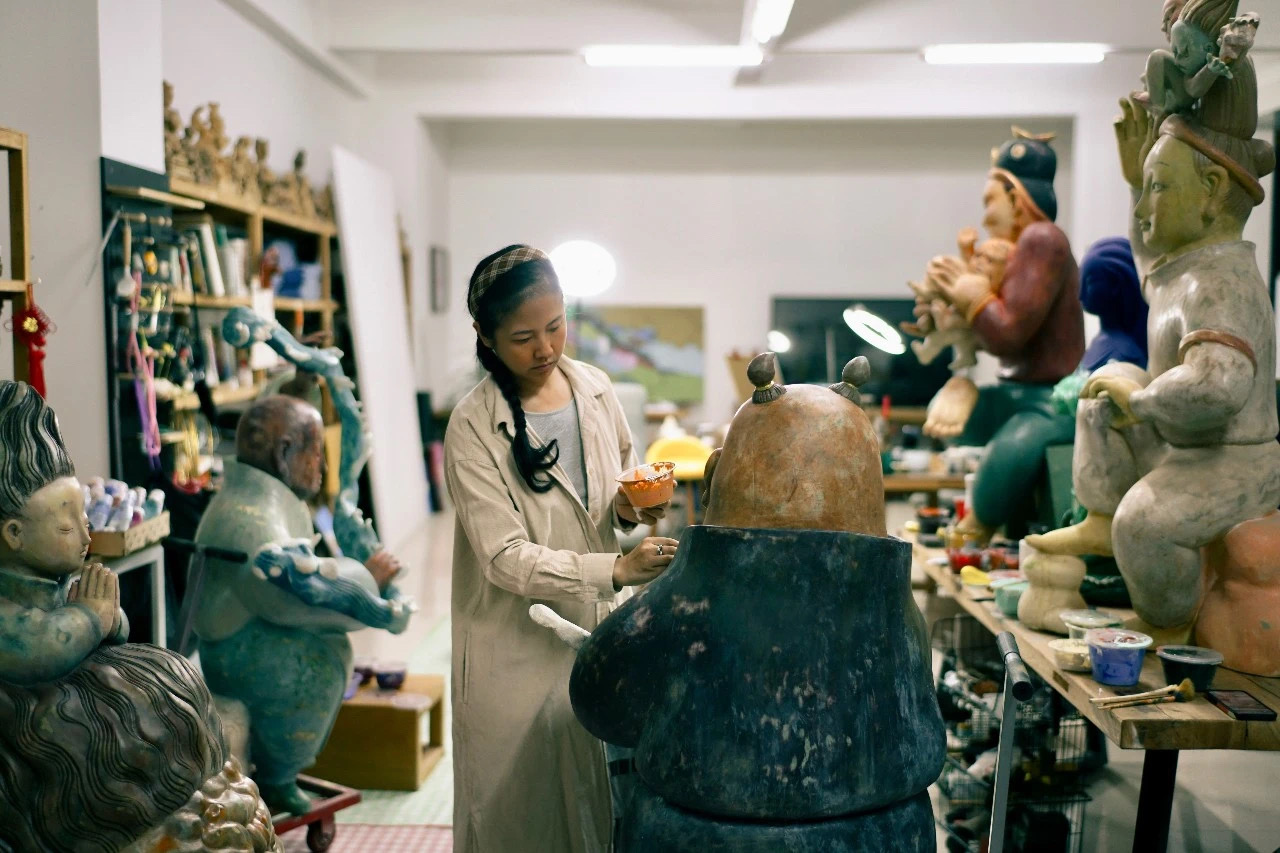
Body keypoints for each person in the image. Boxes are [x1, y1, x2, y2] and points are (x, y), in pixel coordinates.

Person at [446, 244, 677, 853]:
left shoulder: (595, 388)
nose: (545, 348)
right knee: (519, 818)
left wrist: (633, 508)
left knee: (597, 808)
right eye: (524, 338)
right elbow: (503, 557)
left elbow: (616, 492)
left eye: (555, 326)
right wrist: (616, 569)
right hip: (512, 641)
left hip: (595, 628)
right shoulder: (472, 425)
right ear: (486, 336)